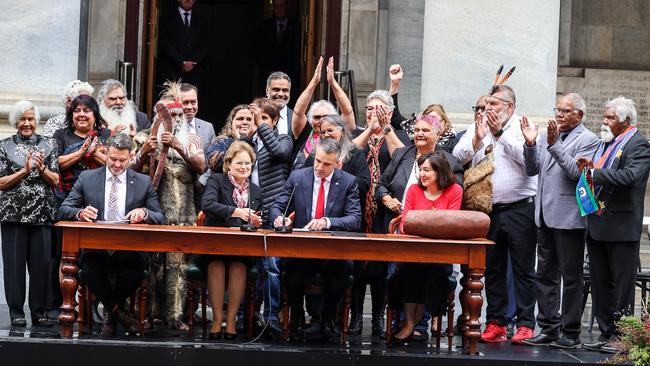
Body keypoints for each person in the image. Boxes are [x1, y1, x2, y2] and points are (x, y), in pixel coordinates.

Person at [57, 134, 166, 335]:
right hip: (96, 248)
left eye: (122, 160)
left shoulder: (142, 182)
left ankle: (110, 312)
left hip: (129, 248)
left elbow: (160, 216)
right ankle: (120, 314)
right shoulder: (88, 178)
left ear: (131, 156)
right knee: (90, 270)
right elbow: (64, 209)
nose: (116, 164)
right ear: (106, 154)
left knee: (135, 270)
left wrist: (145, 213)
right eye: (112, 159)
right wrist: (80, 213)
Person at [455, 85, 538, 344]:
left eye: (494, 103)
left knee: (523, 269)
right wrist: (478, 138)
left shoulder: (523, 126)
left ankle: (525, 324)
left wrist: (498, 133)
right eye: (486, 103)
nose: (488, 108)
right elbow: (458, 156)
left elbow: (529, 164)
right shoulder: (479, 125)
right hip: (488, 211)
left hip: (520, 208)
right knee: (492, 269)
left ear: (510, 107)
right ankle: (496, 322)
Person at [519, 93, 599, 348]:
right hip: (544, 215)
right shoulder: (546, 135)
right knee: (544, 275)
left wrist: (554, 145)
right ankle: (548, 327)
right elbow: (532, 170)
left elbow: (577, 173)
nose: (560, 115)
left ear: (580, 115)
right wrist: (531, 144)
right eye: (558, 109)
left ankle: (570, 331)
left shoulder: (589, 140)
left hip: (569, 219)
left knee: (571, 277)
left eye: (566, 111)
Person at [270, 138, 362, 340]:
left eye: (326, 164)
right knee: (291, 271)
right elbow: (278, 205)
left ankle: (328, 319)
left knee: (341, 271)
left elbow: (355, 219)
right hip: (303, 249)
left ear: (338, 163)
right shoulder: (298, 177)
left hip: (332, 250)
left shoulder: (348, 182)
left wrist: (328, 221)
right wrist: (278, 217)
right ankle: (296, 318)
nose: (319, 167)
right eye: (317, 161)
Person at [578, 96, 650, 352]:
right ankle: (605, 333)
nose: (604, 121)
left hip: (621, 227)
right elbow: (600, 170)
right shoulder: (604, 144)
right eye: (605, 116)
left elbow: (631, 176)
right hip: (597, 224)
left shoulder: (638, 144)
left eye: (610, 118)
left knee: (621, 286)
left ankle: (622, 337)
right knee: (600, 283)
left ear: (626, 121)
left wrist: (596, 174)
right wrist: (590, 168)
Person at [131, 81, 206, 329]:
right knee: (152, 264)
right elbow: (129, 169)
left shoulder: (191, 138)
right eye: (169, 114)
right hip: (152, 212)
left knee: (177, 267)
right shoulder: (144, 136)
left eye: (177, 114)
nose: (174, 119)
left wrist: (178, 146)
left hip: (184, 214)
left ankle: (175, 317)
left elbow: (201, 166)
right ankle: (149, 314)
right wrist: (144, 152)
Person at [302, 114, 375, 335]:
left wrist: (338, 176)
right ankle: (314, 316)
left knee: (339, 272)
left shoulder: (354, 154)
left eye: (331, 131)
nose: (326, 135)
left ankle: (332, 318)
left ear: (342, 132)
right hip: (315, 229)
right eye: (323, 132)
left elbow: (364, 184)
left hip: (342, 226)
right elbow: (304, 177)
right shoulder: (317, 154)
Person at [390, 151, 462, 344]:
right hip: (413, 252)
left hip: (440, 254)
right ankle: (410, 322)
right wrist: (430, 224)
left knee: (433, 274)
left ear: (440, 171)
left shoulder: (454, 190)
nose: (421, 174)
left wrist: (421, 223)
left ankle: (417, 321)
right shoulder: (414, 190)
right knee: (406, 272)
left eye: (427, 170)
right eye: (420, 169)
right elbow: (405, 224)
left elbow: (450, 223)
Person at [0, 101, 59, 327]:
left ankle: (39, 312)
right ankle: (16, 312)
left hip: (42, 214)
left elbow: (56, 180)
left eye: (31, 119)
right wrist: (24, 171)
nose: (27, 123)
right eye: (22, 119)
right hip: (12, 215)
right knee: (14, 267)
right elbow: (2, 182)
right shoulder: (4, 146)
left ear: (37, 121)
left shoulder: (49, 144)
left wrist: (41, 168)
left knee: (41, 266)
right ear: (16, 121)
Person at [199, 141, 262, 340]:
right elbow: (207, 205)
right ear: (229, 164)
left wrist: (257, 220)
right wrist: (237, 212)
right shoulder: (217, 181)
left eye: (248, 164)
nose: (244, 167)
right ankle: (217, 320)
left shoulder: (256, 190)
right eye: (239, 163)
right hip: (214, 245)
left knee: (239, 267)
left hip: (242, 249)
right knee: (217, 265)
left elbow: (261, 218)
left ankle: (232, 321)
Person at [291, 57, 356, 169]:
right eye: (317, 117)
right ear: (311, 120)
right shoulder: (305, 133)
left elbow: (347, 111)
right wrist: (314, 81)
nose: (321, 120)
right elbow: (298, 112)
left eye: (326, 116)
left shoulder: (338, 134)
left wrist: (332, 82)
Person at [53, 95, 112, 200]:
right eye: (77, 111)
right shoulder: (61, 135)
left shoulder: (107, 135)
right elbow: (55, 163)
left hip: (102, 194)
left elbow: (116, 164)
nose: (81, 114)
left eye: (86, 111)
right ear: (71, 115)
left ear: (95, 114)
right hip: (69, 196)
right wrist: (81, 153)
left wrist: (94, 153)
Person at [156, 0, 209, 97]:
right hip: (171, 72)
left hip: (194, 73)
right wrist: (181, 63)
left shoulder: (202, 21)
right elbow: (165, 43)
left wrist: (192, 63)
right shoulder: (166, 18)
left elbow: (205, 45)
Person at [255, 0, 300, 103]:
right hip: (268, 75)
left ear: (287, 7)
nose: (279, 9)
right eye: (276, 6)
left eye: (282, 6)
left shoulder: (297, 26)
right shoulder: (265, 27)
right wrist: (268, 69)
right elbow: (257, 51)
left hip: (290, 76)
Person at [206, 105, 254, 173]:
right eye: (240, 119)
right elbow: (215, 166)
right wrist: (237, 141)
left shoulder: (258, 142)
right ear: (231, 122)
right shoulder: (220, 142)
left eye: (249, 119)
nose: (245, 122)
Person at [265, 72, 293, 136]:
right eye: (276, 89)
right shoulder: (255, 114)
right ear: (267, 91)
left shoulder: (296, 118)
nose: (281, 94)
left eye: (285, 90)